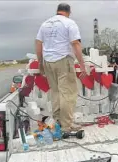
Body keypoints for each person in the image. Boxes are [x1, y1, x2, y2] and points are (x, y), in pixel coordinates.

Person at [35, 3, 87, 132]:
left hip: (48, 61)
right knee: (68, 93)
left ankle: (57, 122)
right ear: (69, 12)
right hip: (63, 60)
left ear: (57, 11)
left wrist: (40, 63)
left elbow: (38, 44)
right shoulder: (69, 23)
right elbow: (75, 44)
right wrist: (82, 65)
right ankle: (67, 125)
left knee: (56, 92)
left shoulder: (45, 24)